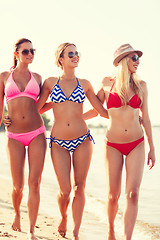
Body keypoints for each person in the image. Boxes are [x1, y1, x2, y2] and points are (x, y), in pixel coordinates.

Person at [83, 44, 156, 240]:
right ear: (123, 60)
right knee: (112, 196)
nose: (137, 61)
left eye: (138, 58)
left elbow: (146, 118)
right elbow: (97, 109)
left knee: (132, 194)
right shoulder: (107, 83)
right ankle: (110, 232)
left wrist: (152, 148)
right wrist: (76, 119)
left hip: (137, 143)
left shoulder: (142, 86)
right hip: (112, 144)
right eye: (134, 58)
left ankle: (128, 238)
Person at [37, 42, 108, 240]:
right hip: (58, 142)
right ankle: (63, 216)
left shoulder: (85, 84)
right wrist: (12, 118)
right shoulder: (50, 82)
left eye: (77, 53)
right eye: (71, 54)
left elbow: (101, 111)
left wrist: (128, 118)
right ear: (61, 59)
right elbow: (37, 109)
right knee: (65, 190)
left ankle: (76, 232)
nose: (76, 56)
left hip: (82, 140)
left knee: (79, 187)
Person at [0, 38, 46, 240]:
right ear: (16, 53)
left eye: (32, 50)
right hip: (14, 136)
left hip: (37, 132)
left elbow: (41, 106)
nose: (30, 54)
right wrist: (3, 117)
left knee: (34, 183)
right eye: (26, 51)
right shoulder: (4, 76)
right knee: (17, 185)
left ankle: (31, 230)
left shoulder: (37, 77)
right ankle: (17, 214)